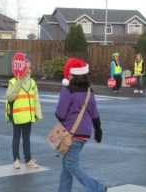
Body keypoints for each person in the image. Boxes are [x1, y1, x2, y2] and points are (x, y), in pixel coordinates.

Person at [57, 58, 107, 192]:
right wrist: (98, 130)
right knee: (66, 164)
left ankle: (97, 188)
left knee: (71, 164)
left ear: (73, 75)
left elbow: (60, 114)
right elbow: (95, 113)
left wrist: (60, 115)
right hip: (85, 134)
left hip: (71, 134)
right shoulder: (89, 92)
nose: (67, 76)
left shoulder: (67, 91)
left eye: (68, 74)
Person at [5, 60, 43, 169]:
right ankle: (16, 160)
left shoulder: (32, 83)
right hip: (17, 116)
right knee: (16, 137)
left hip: (28, 116)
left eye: (29, 68)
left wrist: (38, 114)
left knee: (27, 138)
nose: (27, 70)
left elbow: (36, 99)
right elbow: (9, 97)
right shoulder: (13, 82)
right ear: (20, 69)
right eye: (25, 68)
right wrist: (19, 81)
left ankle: (28, 160)